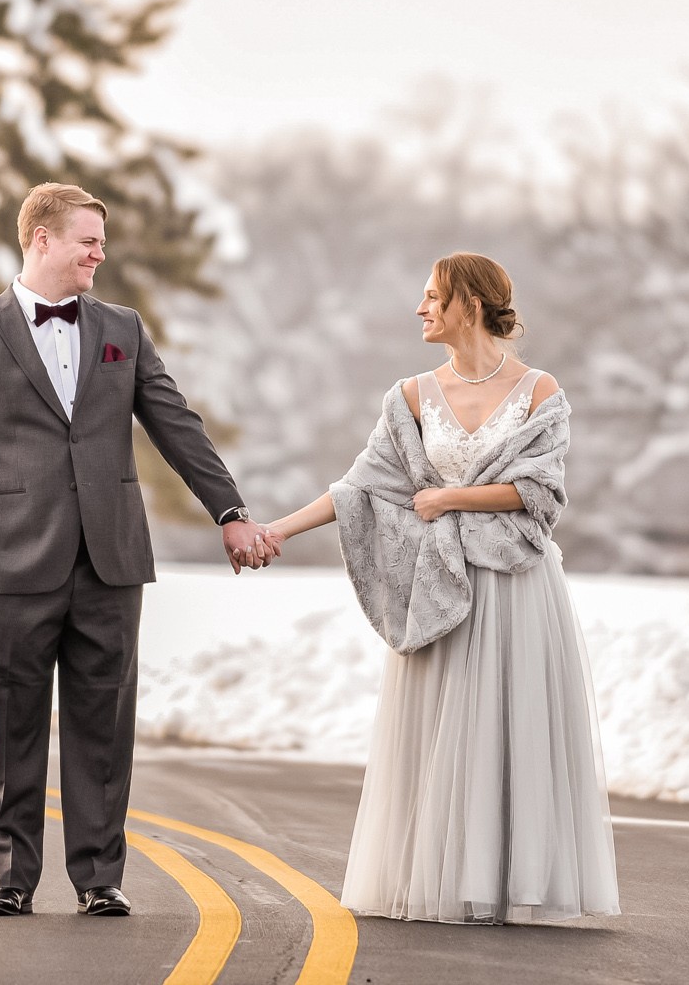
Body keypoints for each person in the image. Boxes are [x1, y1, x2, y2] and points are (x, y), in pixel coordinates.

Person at [0, 182, 279, 918]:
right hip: (13, 560)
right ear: (41, 239)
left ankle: (98, 875)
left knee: (102, 726)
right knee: (12, 720)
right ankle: (11, 874)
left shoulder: (123, 326)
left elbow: (176, 423)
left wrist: (230, 509)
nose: (99, 252)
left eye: (101, 240)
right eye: (87, 239)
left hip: (111, 560)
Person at [263, 252, 621, 924]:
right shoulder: (409, 396)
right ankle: (451, 876)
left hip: (518, 586)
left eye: (432, 296)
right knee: (442, 736)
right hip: (439, 588)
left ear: (471, 303)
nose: (421, 308)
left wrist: (450, 496)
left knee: (510, 729)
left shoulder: (543, 392)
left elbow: (540, 495)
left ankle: (518, 877)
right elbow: (361, 487)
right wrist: (276, 531)